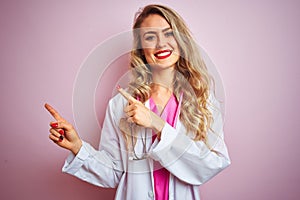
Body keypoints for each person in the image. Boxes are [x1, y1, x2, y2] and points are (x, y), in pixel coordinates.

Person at [45, 4, 230, 200]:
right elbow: (113, 173)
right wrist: (78, 147)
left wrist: (157, 124)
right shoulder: (119, 105)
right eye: (150, 37)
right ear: (142, 49)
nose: (161, 44)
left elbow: (212, 164)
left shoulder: (203, 100)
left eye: (168, 34)